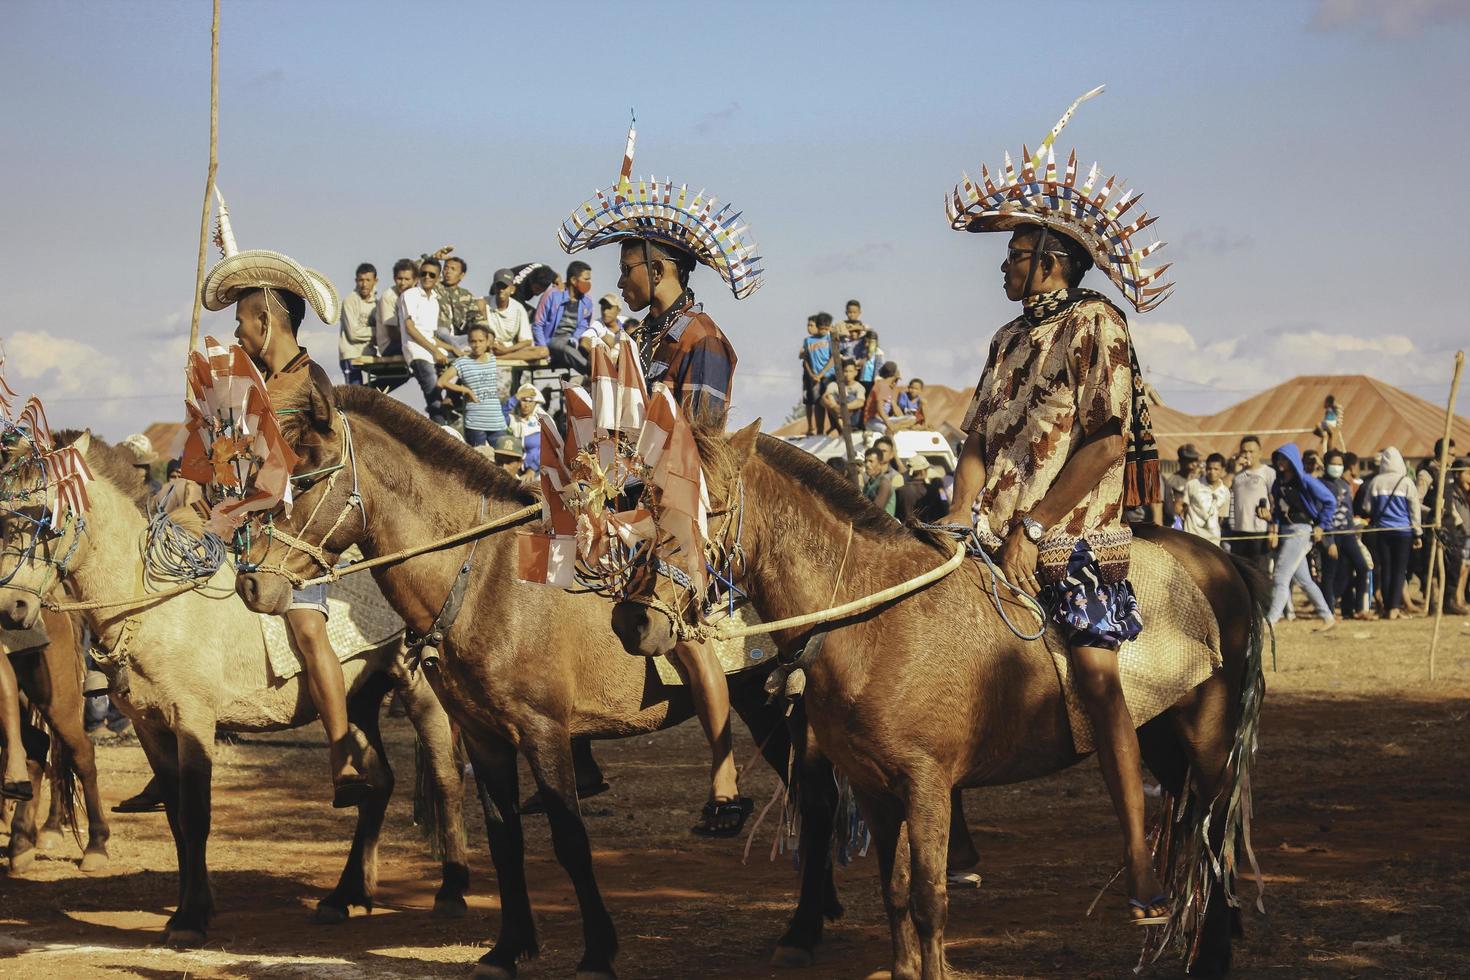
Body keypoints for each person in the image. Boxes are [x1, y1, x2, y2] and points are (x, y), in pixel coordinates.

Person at [942, 87, 1174, 925]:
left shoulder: (1098, 327)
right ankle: (954, 841)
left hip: (1074, 535)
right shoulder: (1006, 340)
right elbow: (974, 442)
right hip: (988, 531)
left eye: (1015, 255)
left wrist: (1033, 527)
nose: (1003, 267)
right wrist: (959, 515)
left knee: (1098, 678)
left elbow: (1108, 442)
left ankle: (1139, 860)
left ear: (1051, 260)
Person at [557, 117, 758, 835]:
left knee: (687, 618)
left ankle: (725, 776)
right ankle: (573, 752)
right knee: (551, 562)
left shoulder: (702, 339)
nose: (621, 280)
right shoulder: (643, 335)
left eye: (629, 268)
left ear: (660, 266)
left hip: (684, 494)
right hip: (634, 484)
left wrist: (633, 481)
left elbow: (694, 437)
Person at [199, 216, 371, 807]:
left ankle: (341, 749)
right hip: (245, 526)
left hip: (299, 533)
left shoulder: (310, 382)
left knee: (305, 626)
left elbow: (321, 462)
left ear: (267, 321)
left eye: (243, 319)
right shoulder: (251, 381)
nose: (237, 330)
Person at [1265, 444, 1337, 629]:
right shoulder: (1278, 483)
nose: (1280, 462)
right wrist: (1274, 528)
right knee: (1304, 580)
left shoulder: (1304, 480)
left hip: (1301, 531)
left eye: (1284, 458)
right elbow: (1277, 511)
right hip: (1286, 532)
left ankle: (1270, 621)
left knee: (1280, 577)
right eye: (1278, 458)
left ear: (1292, 460)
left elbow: (1329, 500)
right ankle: (1327, 616)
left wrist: (1322, 524)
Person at [1365, 446, 1422, 619]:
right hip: (1403, 532)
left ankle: (1387, 606)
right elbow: (1414, 510)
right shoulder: (1406, 482)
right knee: (1400, 570)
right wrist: (1417, 533)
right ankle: (1394, 608)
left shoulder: (1376, 482)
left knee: (1386, 569)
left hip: (1383, 531)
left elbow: (1367, 507)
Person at [399, 257, 457, 423]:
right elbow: (410, 328)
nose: (427, 277)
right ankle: (440, 434)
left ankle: (452, 399)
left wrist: (451, 349)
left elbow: (430, 334)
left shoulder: (434, 300)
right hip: (417, 352)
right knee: (434, 398)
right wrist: (435, 350)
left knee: (465, 362)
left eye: (432, 275)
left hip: (432, 350)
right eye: (423, 273)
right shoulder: (409, 295)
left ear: (438, 278)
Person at [437, 325, 507, 447]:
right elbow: (441, 382)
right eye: (473, 341)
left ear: (487, 342)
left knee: (504, 460)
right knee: (477, 462)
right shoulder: (463, 362)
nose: (477, 345)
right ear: (469, 342)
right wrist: (465, 390)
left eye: (480, 341)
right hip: (475, 422)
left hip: (496, 420)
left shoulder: (493, 359)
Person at [1320, 449, 1371, 619]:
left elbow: (1348, 511)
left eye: (1339, 464)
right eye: (1333, 464)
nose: (1336, 467)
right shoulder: (1321, 484)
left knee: (1362, 567)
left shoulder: (1344, 484)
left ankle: (1359, 609)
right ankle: (1329, 610)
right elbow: (1320, 514)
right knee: (1330, 574)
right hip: (1331, 535)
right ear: (1326, 465)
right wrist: (1329, 540)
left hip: (1348, 533)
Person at [534, 261, 596, 375]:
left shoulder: (587, 301)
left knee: (593, 346)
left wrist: (576, 338)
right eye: (586, 279)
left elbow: (584, 324)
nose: (589, 283)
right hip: (552, 340)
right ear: (573, 280)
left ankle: (606, 367)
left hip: (572, 341)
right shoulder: (552, 295)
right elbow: (538, 324)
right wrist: (543, 347)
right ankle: (592, 371)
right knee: (565, 348)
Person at [1225, 435, 1275, 575]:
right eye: (1244, 451)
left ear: (1260, 452)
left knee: (1260, 574)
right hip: (1238, 532)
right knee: (1240, 575)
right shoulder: (1237, 473)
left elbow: (1274, 500)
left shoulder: (1268, 473)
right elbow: (1222, 489)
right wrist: (1233, 472)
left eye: (1251, 451)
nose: (1247, 455)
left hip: (1260, 532)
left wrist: (1273, 528)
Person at [435, 253, 488, 351]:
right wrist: (434, 258)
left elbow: (477, 319)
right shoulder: (434, 287)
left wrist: (486, 335)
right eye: (446, 268)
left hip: (458, 338)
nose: (448, 272)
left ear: (461, 275)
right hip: (439, 335)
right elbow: (414, 271)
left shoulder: (466, 295)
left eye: (453, 269)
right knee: (441, 331)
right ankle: (458, 350)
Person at [337, 263, 378, 384]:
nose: (364, 284)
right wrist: (377, 331)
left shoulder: (377, 303)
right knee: (355, 396)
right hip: (351, 354)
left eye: (368, 280)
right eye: (361, 280)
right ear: (356, 280)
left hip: (369, 355)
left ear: (375, 281)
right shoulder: (350, 301)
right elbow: (353, 334)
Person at [1181, 452, 1230, 545]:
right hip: (1192, 538)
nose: (1212, 472)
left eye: (1216, 469)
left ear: (1223, 470)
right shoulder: (1192, 485)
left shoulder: (1225, 492)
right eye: (1209, 468)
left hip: (1213, 541)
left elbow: (1221, 518)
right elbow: (1184, 510)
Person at [800, 312, 837, 435]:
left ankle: (835, 426)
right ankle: (819, 430)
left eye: (826, 328)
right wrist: (812, 375)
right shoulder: (809, 341)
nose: (823, 331)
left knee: (829, 400)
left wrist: (822, 374)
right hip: (814, 377)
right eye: (821, 328)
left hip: (828, 376)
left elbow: (833, 358)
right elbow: (806, 360)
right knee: (817, 404)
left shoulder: (829, 338)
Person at [374, 258, 416, 361]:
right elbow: (393, 334)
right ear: (394, 278)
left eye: (407, 279)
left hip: (409, 341)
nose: (402, 283)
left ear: (415, 280)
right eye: (399, 278)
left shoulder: (415, 295)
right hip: (390, 346)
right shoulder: (388, 297)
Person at [839, 300, 880, 390]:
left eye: (854, 312)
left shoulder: (863, 328)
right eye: (850, 312)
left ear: (859, 313)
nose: (852, 315)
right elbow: (837, 347)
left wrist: (857, 327)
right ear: (846, 313)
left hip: (861, 367)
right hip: (847, 368)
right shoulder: (841, 326)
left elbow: (873, 333)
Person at [864, 361, 914, 433]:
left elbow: (895, 407)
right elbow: (880, 409)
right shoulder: (882, 385)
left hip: (884, 419)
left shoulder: (889, 387)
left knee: (912, 419)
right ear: (894, 374)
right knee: (888, 430)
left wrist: (901, 418)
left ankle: (895, 428)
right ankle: (893, 434)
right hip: (873, 420)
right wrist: (889, 425)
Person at [1162, 444, 1200, 528]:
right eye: (1190, 460)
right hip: (1179, 522)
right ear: (1181, 461)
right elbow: (1175, 507)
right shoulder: (1173, 481)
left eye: (1196, 460)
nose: (1194, 464)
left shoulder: (1201, 479)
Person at [822, 359, 864, 433]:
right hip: (836, 417)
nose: (848, 374)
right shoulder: (833, 385)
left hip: (852, 420)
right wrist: (834, 406)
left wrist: (843, 408)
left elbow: (860, 402)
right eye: (845, 371)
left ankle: (845, 426)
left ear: (855, 372)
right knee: (829, 397)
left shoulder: (859, 387)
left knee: (851, 398)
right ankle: (841, 425)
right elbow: (824, 399)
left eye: (850, 371)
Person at [862, 447, 896, 515]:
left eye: (871, 461)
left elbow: (875, 511)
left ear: (880, 464)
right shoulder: (869, 483)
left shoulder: (884, 483)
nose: (867, 465)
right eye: (866, 461)